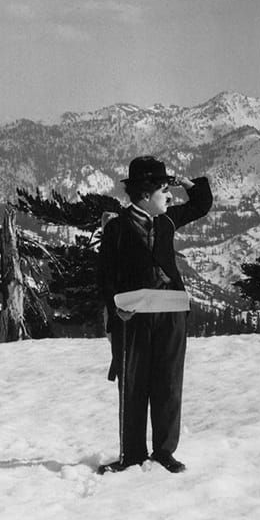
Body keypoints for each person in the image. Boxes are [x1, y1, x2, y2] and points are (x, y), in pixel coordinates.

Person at [97, 156, 213, 474]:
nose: (170, 197)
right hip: (131, 317)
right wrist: (114, 307)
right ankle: (132, 454)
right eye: (164, 191)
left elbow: (202, 204)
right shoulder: (117, 228)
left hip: (171, 314)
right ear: (145, 195)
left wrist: (185, 182)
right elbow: (105, 274)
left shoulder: (167, 220)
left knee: (168, 383)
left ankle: (164, 452)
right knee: (133, 384)